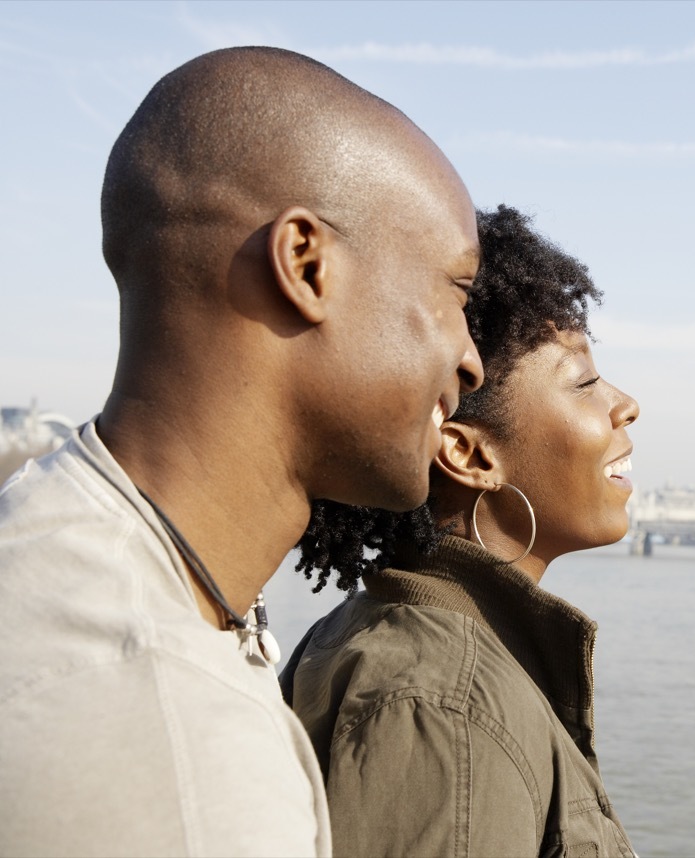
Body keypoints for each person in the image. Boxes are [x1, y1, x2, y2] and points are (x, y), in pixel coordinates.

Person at [0, 47, 483, 857]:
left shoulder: (59, 541)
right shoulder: (167, 740)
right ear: (306, 265)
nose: (472, 361)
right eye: (457, 293)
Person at [283, 205, 639, 857]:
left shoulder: (392, 639)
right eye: (584, 382)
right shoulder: (444, 708)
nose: (626, 405)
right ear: (468, 453)